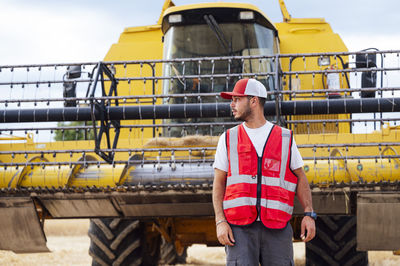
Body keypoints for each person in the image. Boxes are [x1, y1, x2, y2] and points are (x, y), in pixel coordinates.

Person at [212, 78, 316, 265]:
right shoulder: (228, 139)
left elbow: (301, 178)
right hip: (239, 230)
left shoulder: (285, 138)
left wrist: (309, 214)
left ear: (253, 101)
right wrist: (220, 221)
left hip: (277, 228)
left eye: (237, 99)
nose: (232, 104)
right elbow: (219, 183)